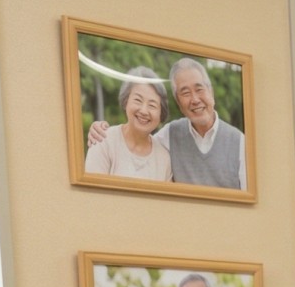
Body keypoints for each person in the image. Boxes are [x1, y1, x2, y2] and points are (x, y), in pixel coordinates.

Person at [87, 57, 246, 190]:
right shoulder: (169, 135)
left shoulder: (240, 142)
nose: (195, 99)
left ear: (211, 92)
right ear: (178, 103)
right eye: (185, 93)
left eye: (199, 89)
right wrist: (98, 129)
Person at [82, 66, 171, 182]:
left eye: (152, 105)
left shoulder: (164, 158)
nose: (144, 111)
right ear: (126, 102)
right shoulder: (103, 140)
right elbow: (91, 193)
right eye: (138, 100)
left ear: (161, 114)